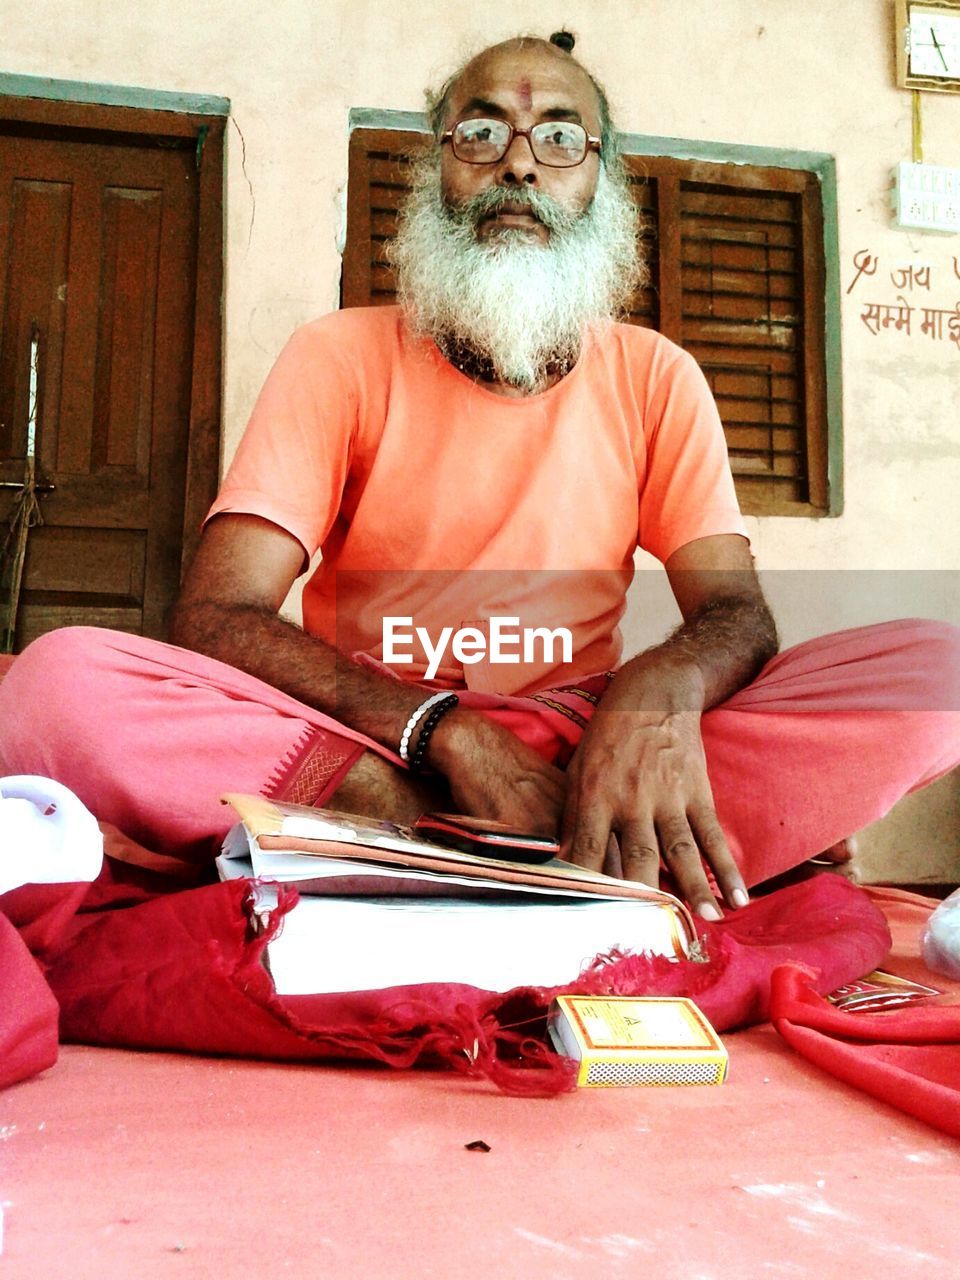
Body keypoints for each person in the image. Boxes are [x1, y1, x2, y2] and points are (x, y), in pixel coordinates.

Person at [1, 33, 957, 922]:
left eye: (558, 137)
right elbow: (216, 613)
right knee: (57, 683)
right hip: (370, 741)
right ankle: (543, 837)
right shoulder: (338, 356)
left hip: (586, 744)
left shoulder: (658, 373)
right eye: (483, 130)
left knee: (936, 671)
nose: (518, 161)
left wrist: (648, 699)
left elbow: (738, 615)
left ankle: (524, 824)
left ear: (601, 184)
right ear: (437, 168)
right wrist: (439, 731)